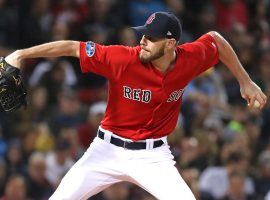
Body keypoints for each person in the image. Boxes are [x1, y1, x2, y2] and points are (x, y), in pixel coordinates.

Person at [4, 11, 267, 200]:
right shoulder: (122, 58)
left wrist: (246, 81)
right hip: (106, 150)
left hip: (152, 157)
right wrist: (21, 54)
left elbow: (215, 39)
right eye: (143, 34)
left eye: (151, 38)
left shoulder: (190, 59)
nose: (142, 41)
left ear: (171, 44)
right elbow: (73, 47)